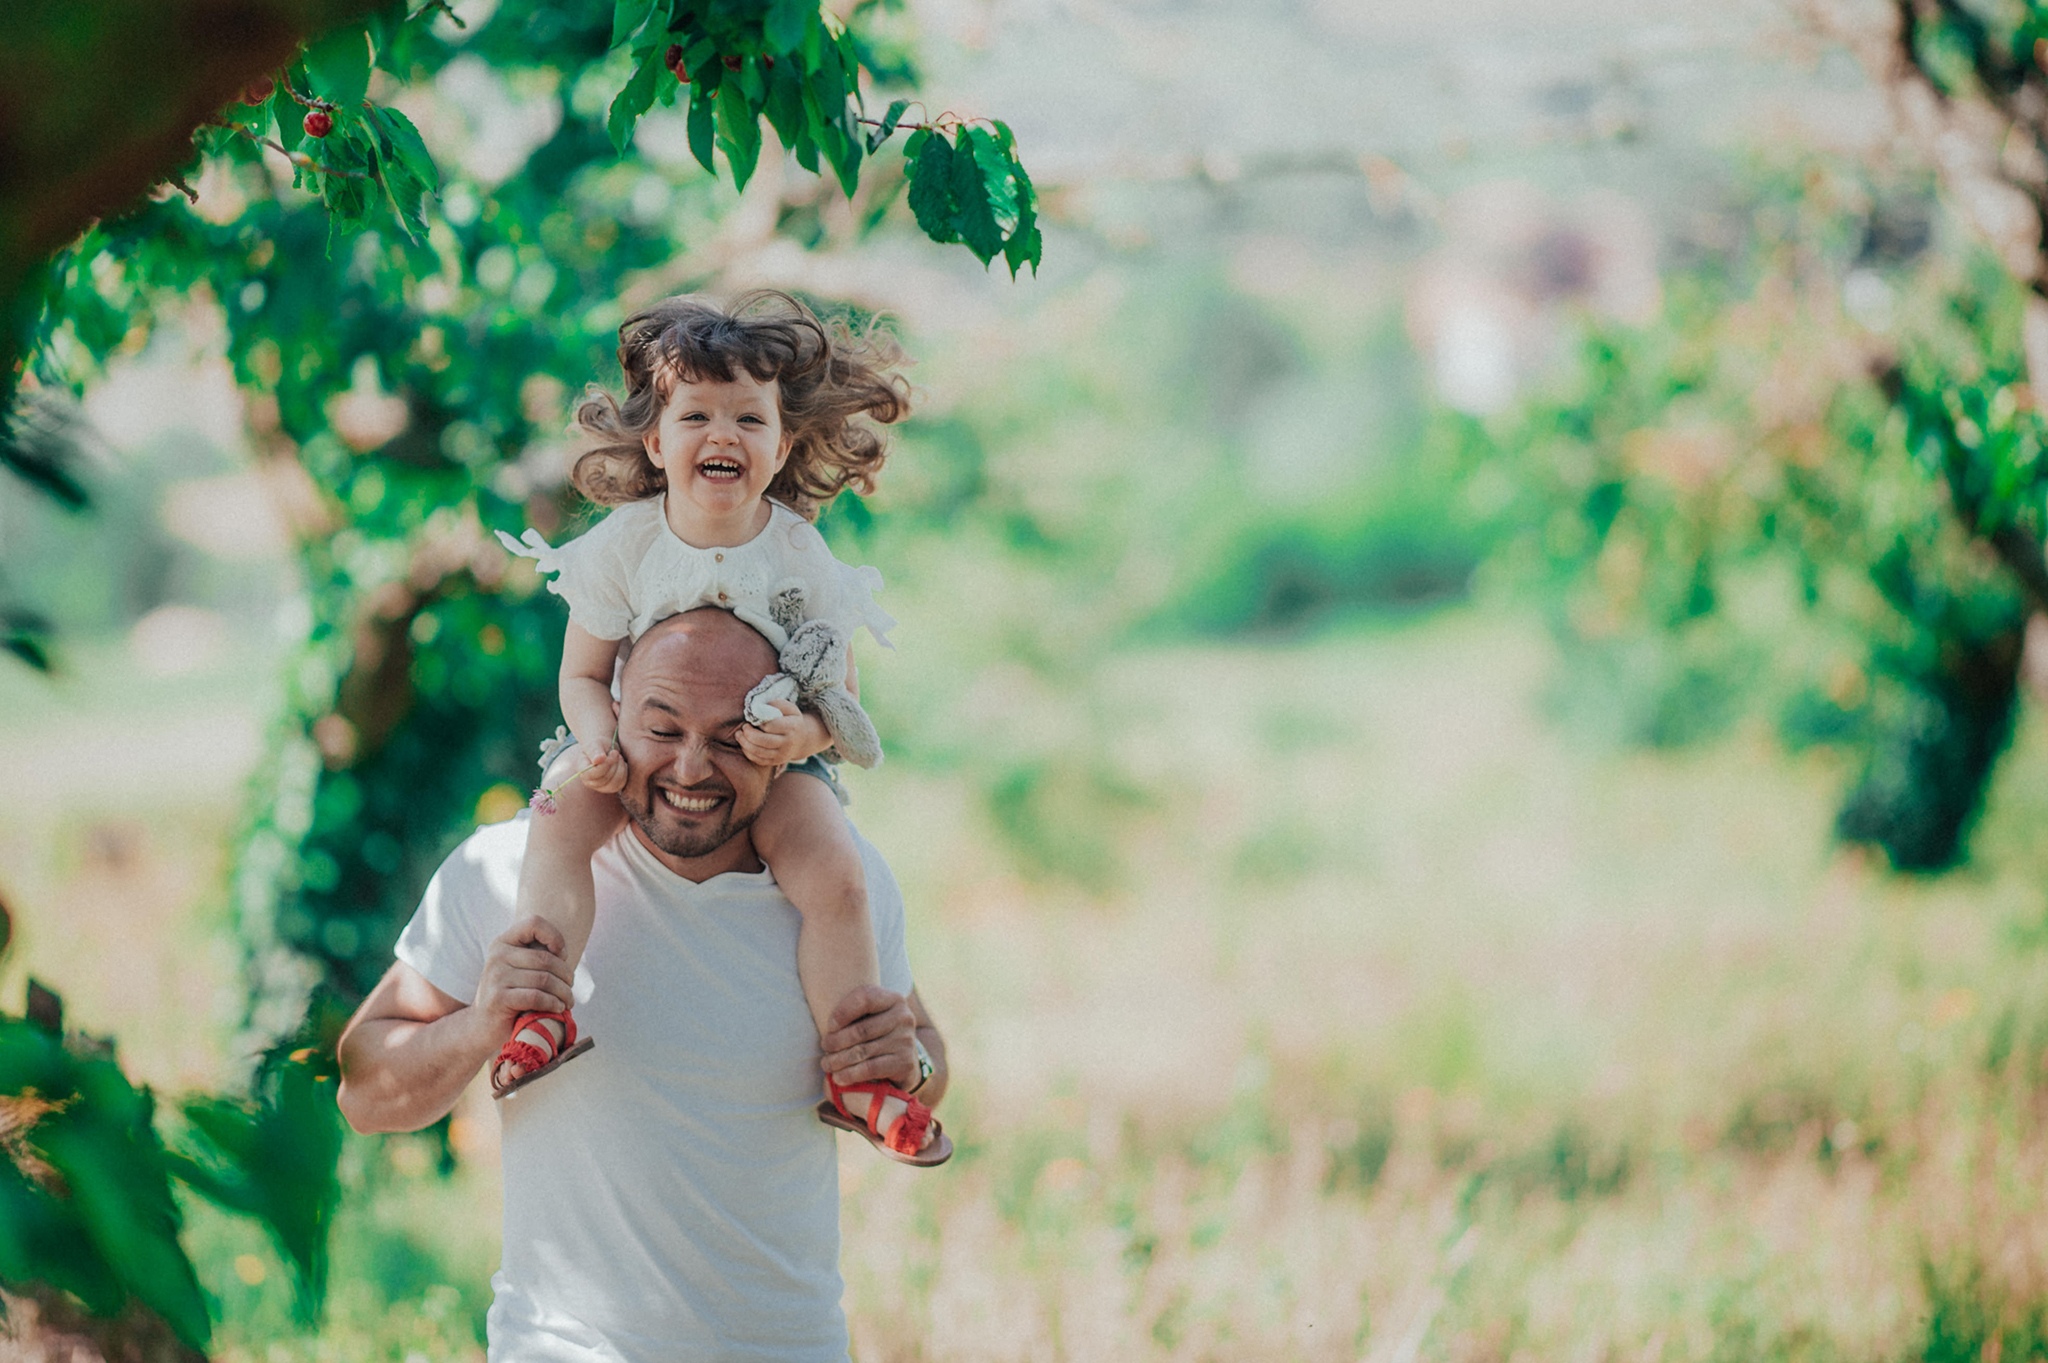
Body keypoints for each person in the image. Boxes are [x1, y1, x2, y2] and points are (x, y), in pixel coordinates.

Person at [336, 607, 949, 1361]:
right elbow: (362, 1092)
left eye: (733, 736)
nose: (692, 766)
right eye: (662, 729)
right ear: (612, 718)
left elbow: (926, 1062)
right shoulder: (506, 873)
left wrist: (909, 1065)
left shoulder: (841, 887)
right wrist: (480, 1022)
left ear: (784, 745)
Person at [489, 289, 936, 1159]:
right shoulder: (626, 544)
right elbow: (582, 673)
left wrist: (797, 741)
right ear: (656, 441)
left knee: (836, 874)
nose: (721, 434)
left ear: (783, 445)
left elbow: (837, 699)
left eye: (748, 417)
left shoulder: (799, 554)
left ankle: (858, 1071)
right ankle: (540, 1013)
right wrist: (596, 741)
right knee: (555, 820)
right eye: (696, 414)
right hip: (637, 750)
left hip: (769, 768)